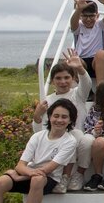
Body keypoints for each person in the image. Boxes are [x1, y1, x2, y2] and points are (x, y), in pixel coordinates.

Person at [32, 49, 92, 191]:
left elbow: (87, 83)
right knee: (68, 136)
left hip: (80, 139)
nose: (63, 82)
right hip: (59, 142)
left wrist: (80, 68)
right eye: (58, 78)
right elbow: (40, 131)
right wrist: (37, 116)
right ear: (52, 81)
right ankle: (64, 177)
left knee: (86, 139)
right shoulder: (48, 101)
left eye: (66, 78)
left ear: (73, 79)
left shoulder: (78, 94)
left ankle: (78, 174)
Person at [70, 0, 104, 78]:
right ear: (80, 16)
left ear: (97, 15)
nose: (88, 19)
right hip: (82, 61)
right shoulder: (79, 27)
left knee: (101, 54)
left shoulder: (100, 25)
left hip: (97, 61)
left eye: (91, 16)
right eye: (85, 16)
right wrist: (78, 9)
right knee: (73, 59)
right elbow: (73, 23)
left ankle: (100, 88)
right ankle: (82, 89)